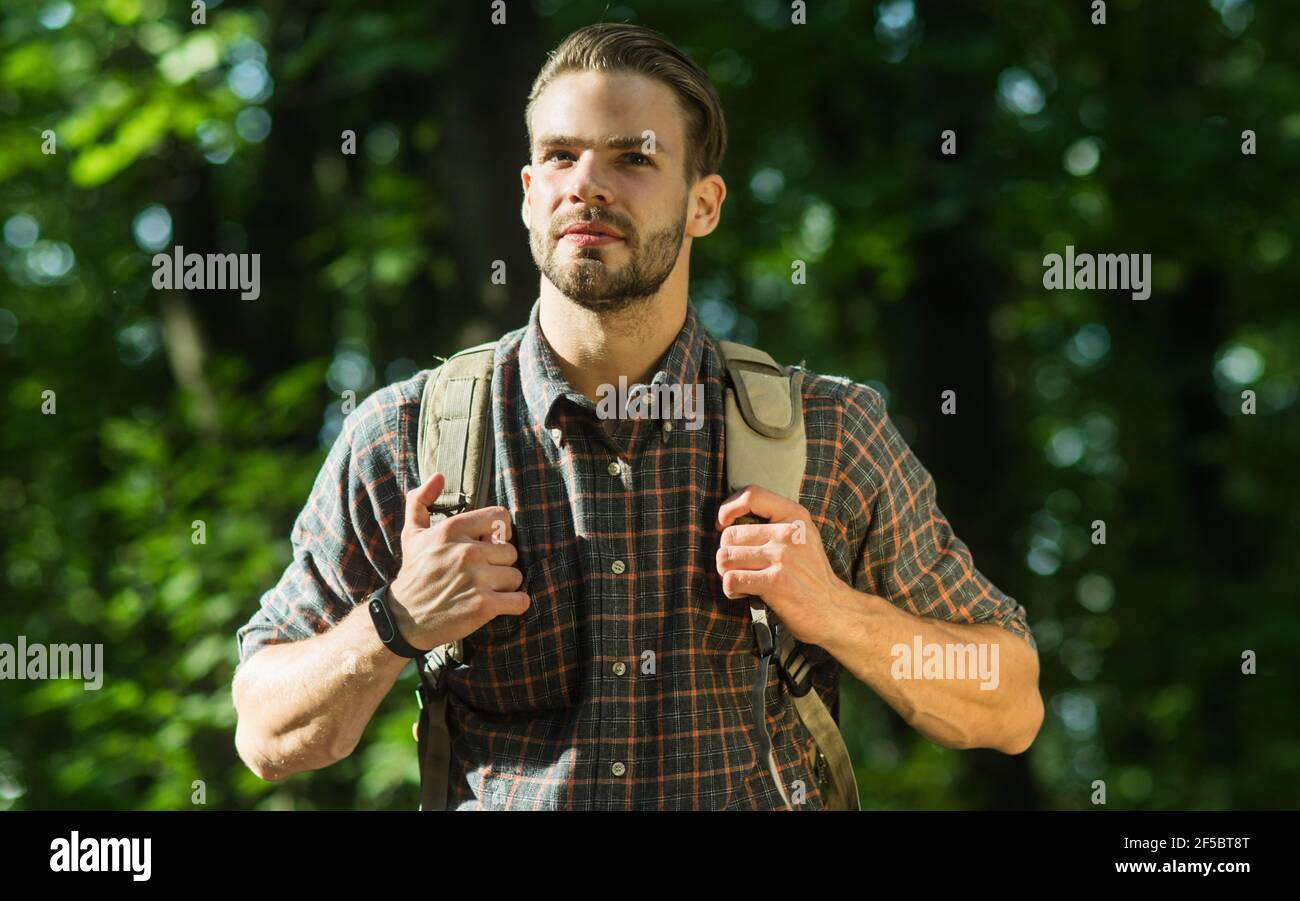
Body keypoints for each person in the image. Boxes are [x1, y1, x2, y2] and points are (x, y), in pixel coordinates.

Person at [231, 22, 1043, 810]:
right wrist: (396, 619)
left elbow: (1008, 705)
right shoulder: (406, 439)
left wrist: (835, 612)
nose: (587, 183)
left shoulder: (827, 433)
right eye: (560, 156)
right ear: (527, 193)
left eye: (634, 158)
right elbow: (266, 731)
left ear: (704, 204)